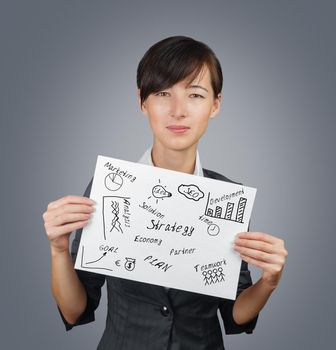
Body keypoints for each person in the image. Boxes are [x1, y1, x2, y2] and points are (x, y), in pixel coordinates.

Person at [43, 36, 288, 350]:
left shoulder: (227, 198)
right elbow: (75, 309)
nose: (178, 110)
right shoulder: (108, 189)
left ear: (215, 105)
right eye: (162, 93)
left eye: (195, 95)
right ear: (142, 102)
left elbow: (235, 313)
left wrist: (269, 282)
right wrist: (58, 251)